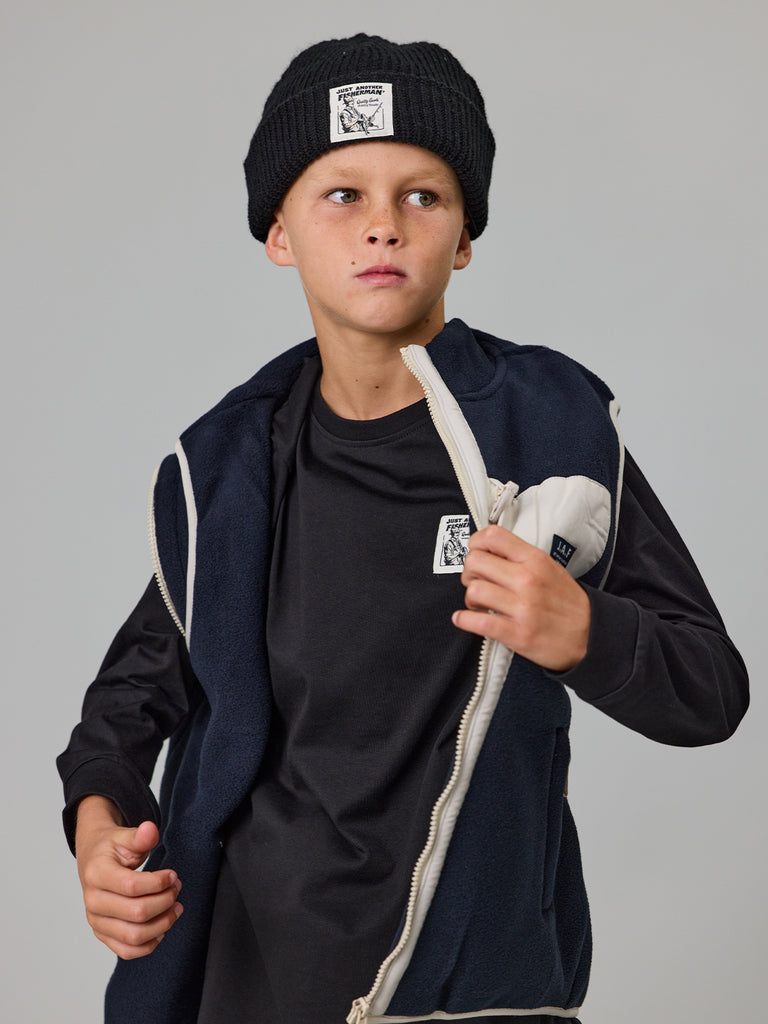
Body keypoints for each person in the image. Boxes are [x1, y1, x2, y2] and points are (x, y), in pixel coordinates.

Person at [57, 33, 749, 1024]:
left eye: (422, 196)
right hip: (243, 988)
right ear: (279, 232)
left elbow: (713, 688)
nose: (382, 226)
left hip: (475, 997)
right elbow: (126, 705)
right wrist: (99, 830)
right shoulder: (227, 470)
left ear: (464, 236)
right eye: (343, 194)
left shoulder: (548, 431)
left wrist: (587, 632)